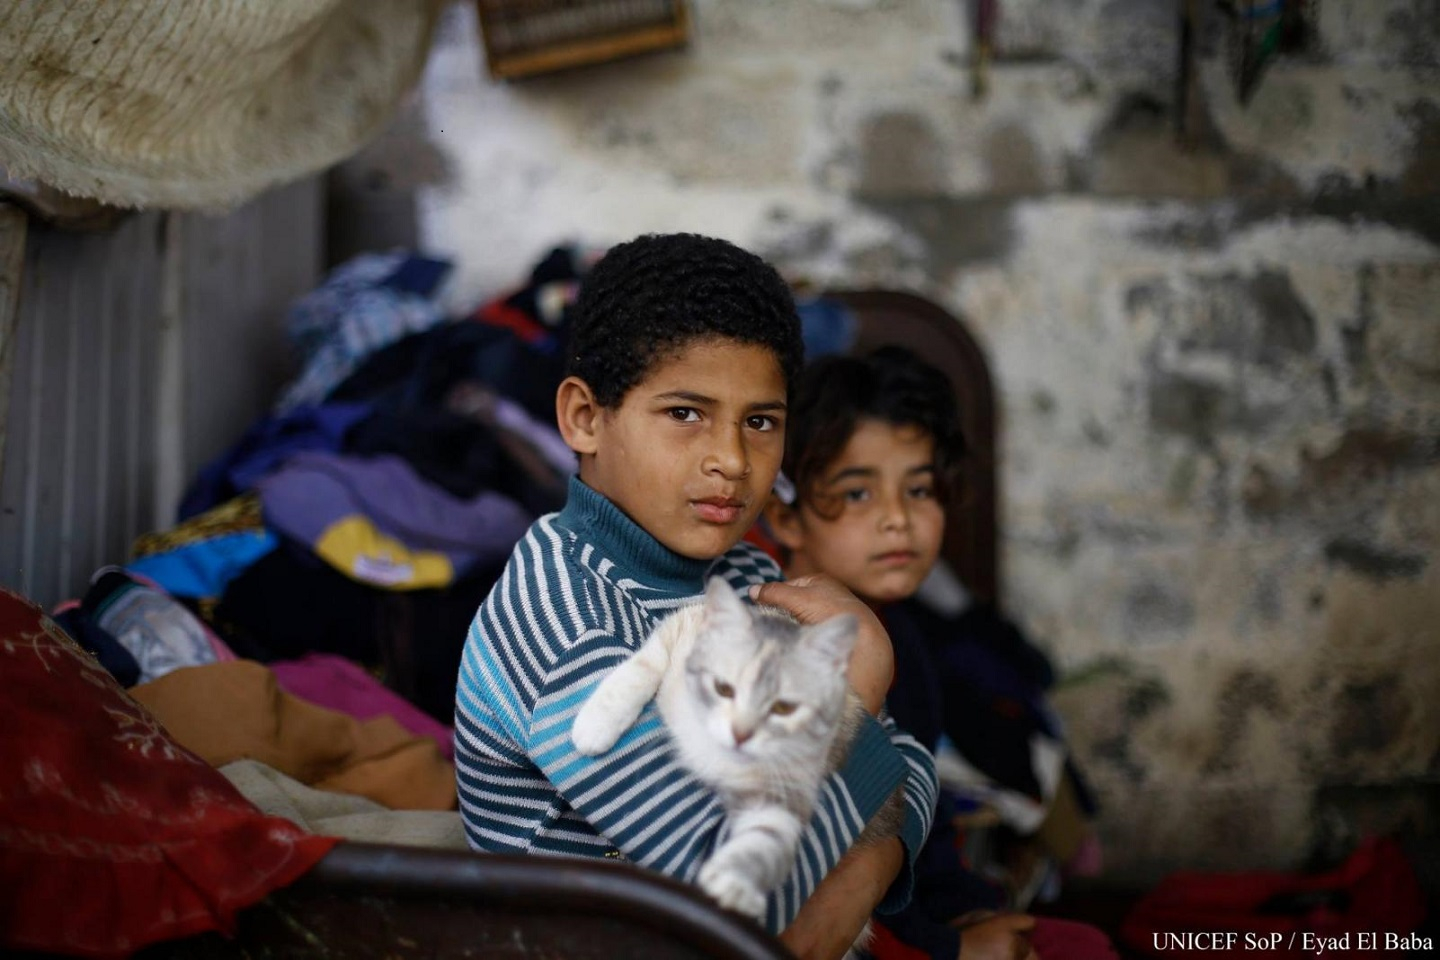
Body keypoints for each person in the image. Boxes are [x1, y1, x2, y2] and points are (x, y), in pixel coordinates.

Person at [453, 234, 938, 960]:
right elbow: (742, 907)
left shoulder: (744, 577)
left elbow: (911, 762)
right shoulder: (560, 624)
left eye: (761, 422)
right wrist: (858, 692)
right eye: (685, 413)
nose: (732, 461)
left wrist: (866, 869)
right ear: (585, 417)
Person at [762, 346, 1119, 960]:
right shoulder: (777, 653)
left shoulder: (906, 642)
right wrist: (950, 949)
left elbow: (920, 822)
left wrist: (971, 911)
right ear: (786, 521)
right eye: (856, 494)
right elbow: (814, 878)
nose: (898, 519)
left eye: (920, 489)